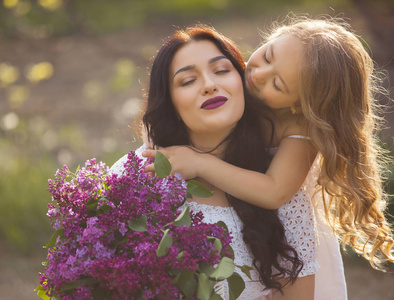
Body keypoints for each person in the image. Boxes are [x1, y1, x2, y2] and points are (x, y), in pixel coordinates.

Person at [142, 16, 394, 299]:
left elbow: (274, 191)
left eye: (277, 84)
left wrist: (200, 163)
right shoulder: (231, 79)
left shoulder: (298, 130)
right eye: (268, 55)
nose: (258, 75)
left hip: (267, 223)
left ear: (299, 105)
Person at [110, 24, 318, 299]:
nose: (209, 85)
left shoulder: (284, 191)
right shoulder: (135, 177)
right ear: (170, 102)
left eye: (221, 71)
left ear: (242, 81)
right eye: (187, 81)